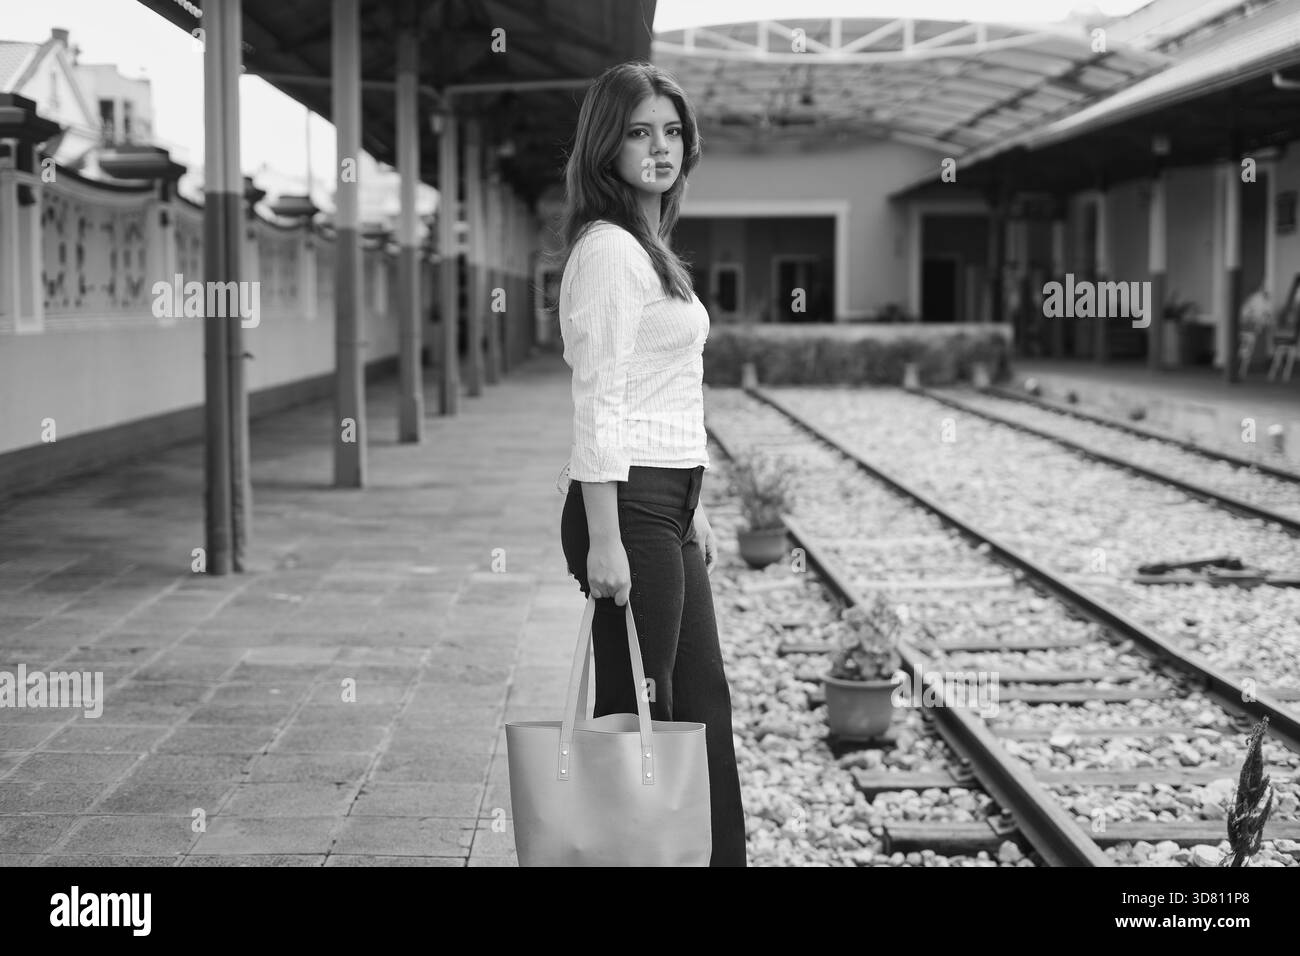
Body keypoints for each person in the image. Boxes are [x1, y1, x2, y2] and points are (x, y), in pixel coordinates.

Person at [540, 61, 747, 866]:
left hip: (666, 500)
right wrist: (604, 540)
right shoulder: (607, 253)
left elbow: (666, 389)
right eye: (638, 132)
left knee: (700, 703)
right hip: (624, 508)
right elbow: (599, 400)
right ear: (606, 145)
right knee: (639, 709)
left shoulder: (646, 247)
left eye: (671, 131)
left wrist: (693, 498)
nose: (660, 147)